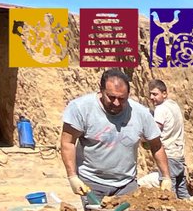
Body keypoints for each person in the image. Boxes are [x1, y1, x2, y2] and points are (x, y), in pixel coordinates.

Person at [60, 68, 173, 201]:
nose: (116, 103)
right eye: (111, 97)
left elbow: (156, 145)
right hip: (92, 183)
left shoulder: (141, 114)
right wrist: (72, 176)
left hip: (126, 184)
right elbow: (68, 142)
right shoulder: (81, 108)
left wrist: (165, 177)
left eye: (122, 98)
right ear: (101, 90)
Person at [147, 79, 191, 199]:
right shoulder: (173, 105)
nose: (151, 97)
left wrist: (143, 138)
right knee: (182, 192)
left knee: (168, 194)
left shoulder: (161, 109)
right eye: (150, 94)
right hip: (179, 155)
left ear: (164, 93)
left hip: (168, 156)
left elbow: (154, 132)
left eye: (155, 94)